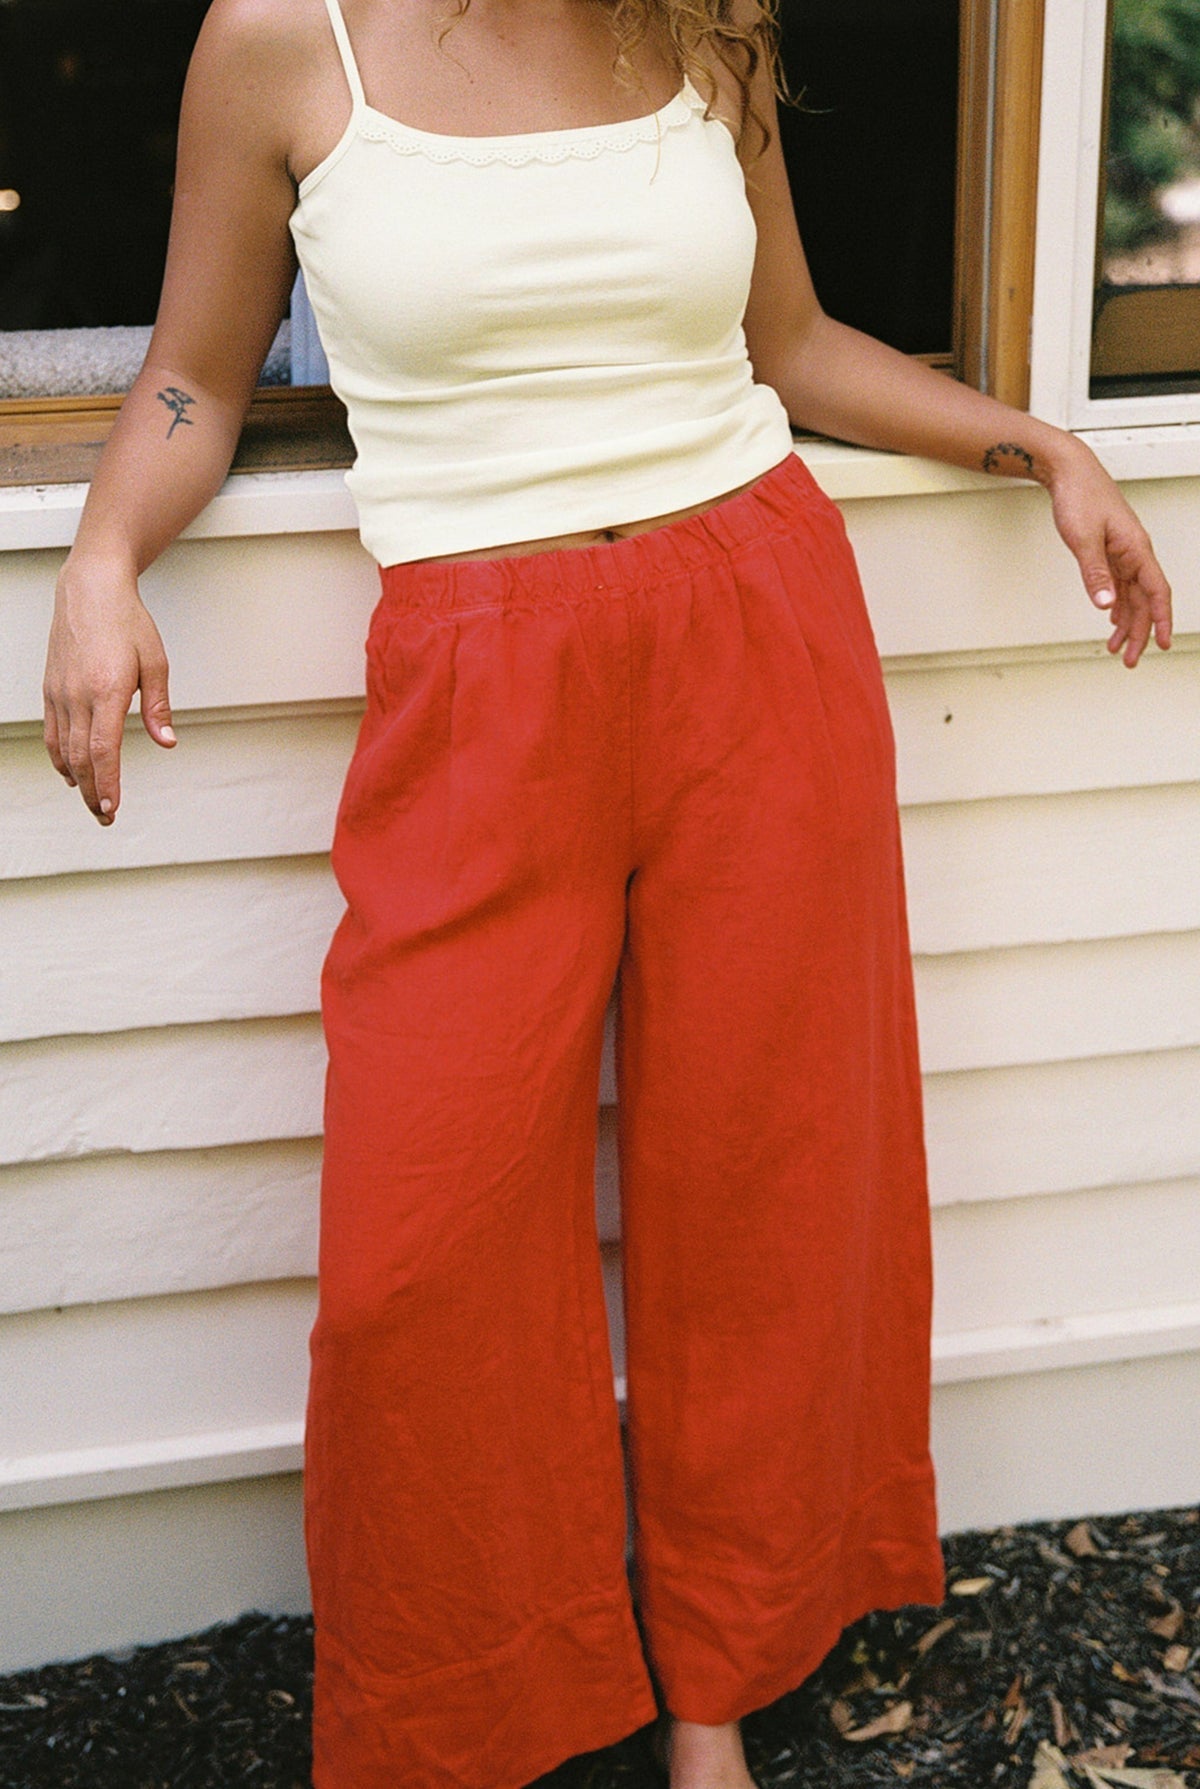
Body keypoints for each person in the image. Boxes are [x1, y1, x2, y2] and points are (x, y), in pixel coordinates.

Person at [42, 1, 1173, 1785]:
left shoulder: (701, 22)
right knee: (425, 1241)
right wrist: (104, 554)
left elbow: (786, 346)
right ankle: (479, 1699)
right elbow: (193, 368)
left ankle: (712, 1685)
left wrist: (1038, 442)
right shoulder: (281, 42)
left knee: (766, 1177)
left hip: (755, 621)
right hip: (482, 669)